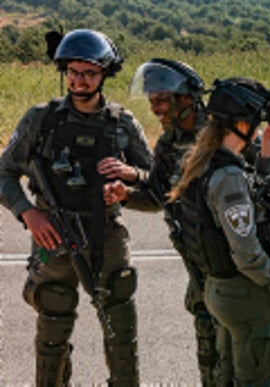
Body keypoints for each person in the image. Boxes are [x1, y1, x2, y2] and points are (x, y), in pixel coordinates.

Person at [0, 28, 153, 385]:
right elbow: (4, 173)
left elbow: (156, 188)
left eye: (89, 73)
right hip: (51, 235)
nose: (79, 81)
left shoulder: (122, 125)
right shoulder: (41, 119)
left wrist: (127, 186)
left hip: (106, 238)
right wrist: (28, 212)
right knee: (52, 322)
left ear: (104, 75)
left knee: (120, 332)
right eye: (72, 72)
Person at [168, 77, 270, 385]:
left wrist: (267, 158)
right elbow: (246, 251)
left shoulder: (206, 162)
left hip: (219, 289)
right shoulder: (228, 175)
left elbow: (263, 202)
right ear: (242, 122)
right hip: (245, 294)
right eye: (256, 121)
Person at [103, 59, 224, 384]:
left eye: (161, 100)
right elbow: (159, 196)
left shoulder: (223, 138)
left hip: (233, 275)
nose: (155, 108)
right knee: (210, 366)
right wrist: (125, 195)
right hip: (200, 274)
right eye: (152, 100)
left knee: (244, 367)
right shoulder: (170, 144)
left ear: (185, 98)